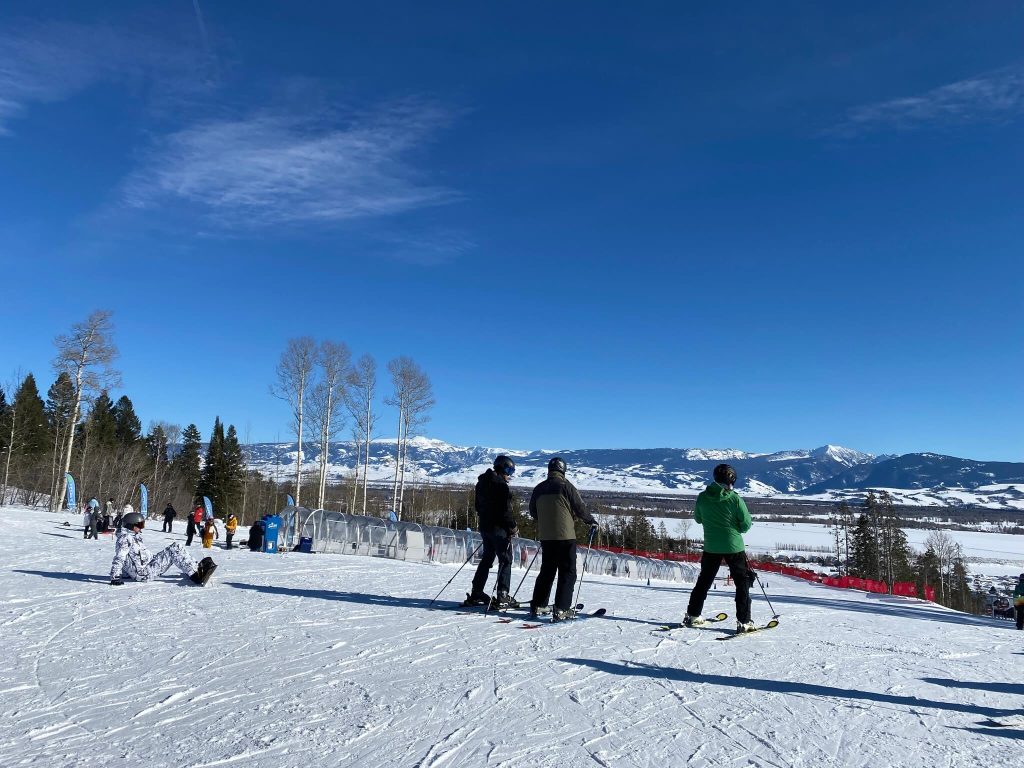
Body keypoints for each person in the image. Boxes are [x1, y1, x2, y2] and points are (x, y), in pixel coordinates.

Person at [684, 463, 756, 633]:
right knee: (742, 584)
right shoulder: (735, 499)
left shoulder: (702, 497)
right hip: (734, 547)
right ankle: (744, 622)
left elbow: (698, 519)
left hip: (711, 546)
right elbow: (746, 525)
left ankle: (693, 615)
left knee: (703, 582)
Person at [528, 457, 598, 622]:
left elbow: (533, 511)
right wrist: (591, 521)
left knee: (547, 571)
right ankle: (562, 608)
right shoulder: (566, 486)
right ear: (563, 471)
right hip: (565, 536)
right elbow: (580, 508)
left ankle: (538, 604)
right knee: (567, 572)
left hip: (546, 536)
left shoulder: (539, 488)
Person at [462, 455, 519, 609]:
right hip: (499, 529)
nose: (509, 474)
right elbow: (505, 511)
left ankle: (477, 591)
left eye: (511, 471)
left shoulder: (481, 483)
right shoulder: (501, 485)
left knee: (487, 559)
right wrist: (512, 527)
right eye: (508, 470)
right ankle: (502, 595)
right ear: (500, 468)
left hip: (485, 527)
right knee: (505, 560)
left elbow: (477, 506)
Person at [109, 512, 216, 586]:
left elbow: (132, 558)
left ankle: (195, 567)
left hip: (146, 567)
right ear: (131, 526)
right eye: (140, 525)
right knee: (175, 548)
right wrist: (115, 577)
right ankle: (197, 575)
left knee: (174, 548)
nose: (142, 527)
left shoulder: (132, 536)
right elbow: (120, 557)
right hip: (143, 573)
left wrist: (126, 573)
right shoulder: (125, 539)